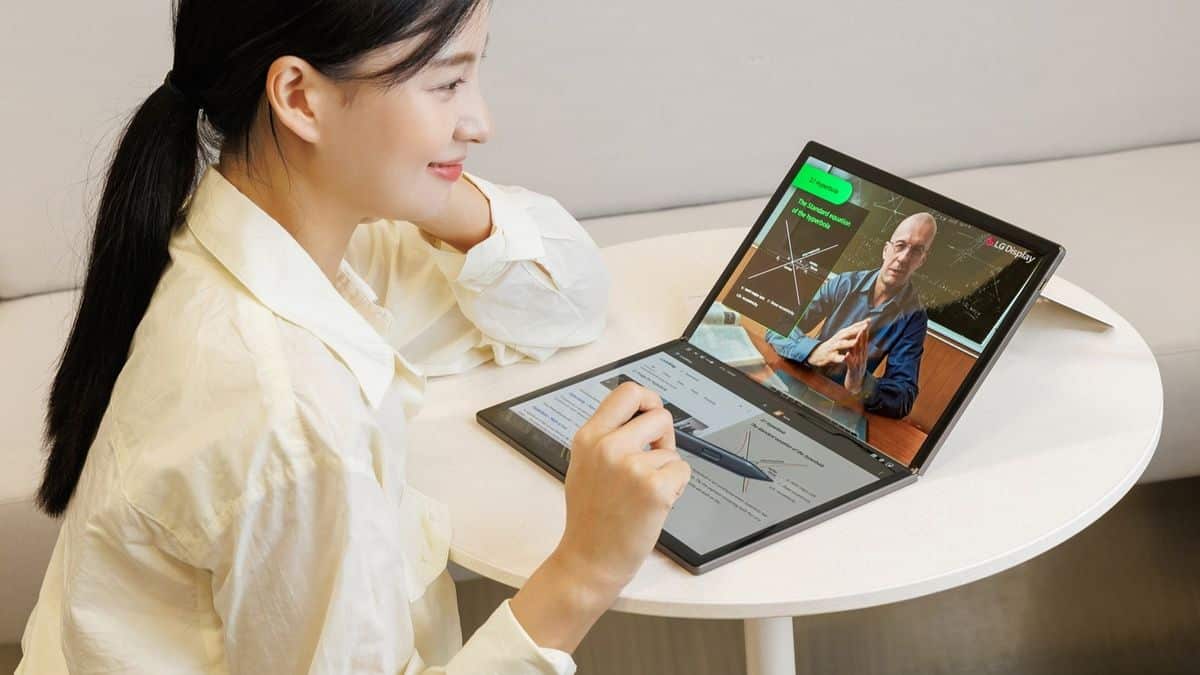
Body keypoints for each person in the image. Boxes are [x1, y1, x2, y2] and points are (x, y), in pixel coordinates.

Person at [17, 2, 691, 673]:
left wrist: (430, 187)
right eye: (446, 84)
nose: (481, 123)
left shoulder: (261, 238)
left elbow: (570, 298)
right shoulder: (289, 411)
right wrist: (588, 567)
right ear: (299, 98)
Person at [765, 212, 938, 419]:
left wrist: (861, 384)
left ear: (922, 261)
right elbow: (778, 324)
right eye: (900, 246)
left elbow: (903, 398)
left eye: (916, 251)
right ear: (886, 250)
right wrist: (813, 351)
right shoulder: (844, 283)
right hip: (800, 378)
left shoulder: (914, 318)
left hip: (843, 405)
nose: (903, 258)